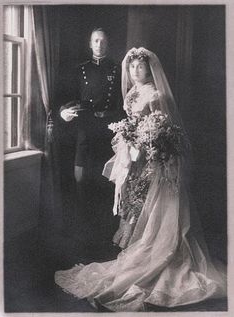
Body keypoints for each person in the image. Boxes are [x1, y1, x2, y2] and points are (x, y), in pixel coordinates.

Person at [55, 48, 227, 311]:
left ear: (149, 69)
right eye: (132, 67)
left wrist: (146, 145)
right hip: (134, 156)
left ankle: (153, 253)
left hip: (151, 157)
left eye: (140, 67)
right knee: (133, 204)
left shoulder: (155, 94)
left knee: (148, 203)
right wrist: (129, 140)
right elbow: (131, 121)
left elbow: (164, 128)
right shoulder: (133, 92)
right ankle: (137, 252)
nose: (135, 71)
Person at [58, 28, 123, 239]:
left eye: (103, 41)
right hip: (85, 132)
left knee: (105, 182)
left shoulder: (117, 69)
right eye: (96, 41)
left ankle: (103, 233)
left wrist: (111, 116)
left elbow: (123, 105)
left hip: (107, 134)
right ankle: (83, 230)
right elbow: (68, 98)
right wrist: (63, 112)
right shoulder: (80, 70)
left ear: (108, 44)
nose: (99, 45)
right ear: (90, 44)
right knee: (81, 179)